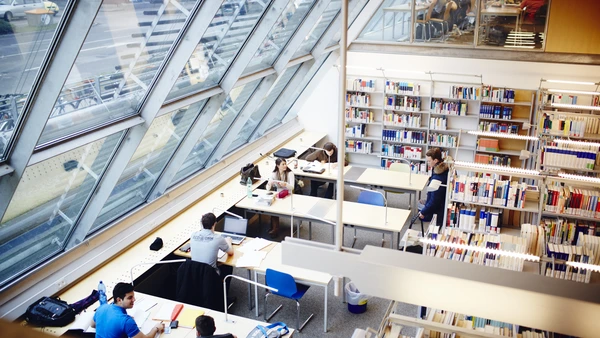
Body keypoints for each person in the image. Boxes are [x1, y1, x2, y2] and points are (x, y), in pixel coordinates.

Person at [92, 282, 164, 338]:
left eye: (133, 296)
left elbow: (92, 325)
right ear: (119, 300)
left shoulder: (101, 308)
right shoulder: (126, 321)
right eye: (130, 298)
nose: (134, 299)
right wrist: (156, 328)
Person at [190, 213, 235, 285]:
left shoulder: (193, 235)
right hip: (210, 276)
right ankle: (222, 293)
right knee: (228, 267)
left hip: (195, 274)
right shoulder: (218, 238)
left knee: (218, 263)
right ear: (215, 224)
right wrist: (229, 241)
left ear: (202, 223)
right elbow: (231, 252)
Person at [418, 148, 449, 225]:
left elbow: (434, 199)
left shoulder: (438, 177)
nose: (427, 163)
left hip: (438, 210)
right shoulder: (439, 169)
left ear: (435, 160)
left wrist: (423, 211)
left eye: (429, 161)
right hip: (440, 206)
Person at [266, 158, 295, 238]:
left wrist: (286, 185)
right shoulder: (274, 174)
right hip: (279, 194)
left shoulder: (290, 173)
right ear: (278, 166)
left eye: (285, 164)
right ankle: (274, 228)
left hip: (288, 194)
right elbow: (267, 188)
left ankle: (274, 229)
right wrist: (269, 184)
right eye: (283, 164)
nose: (285, 166)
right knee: (273, 207)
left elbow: (292, 187)